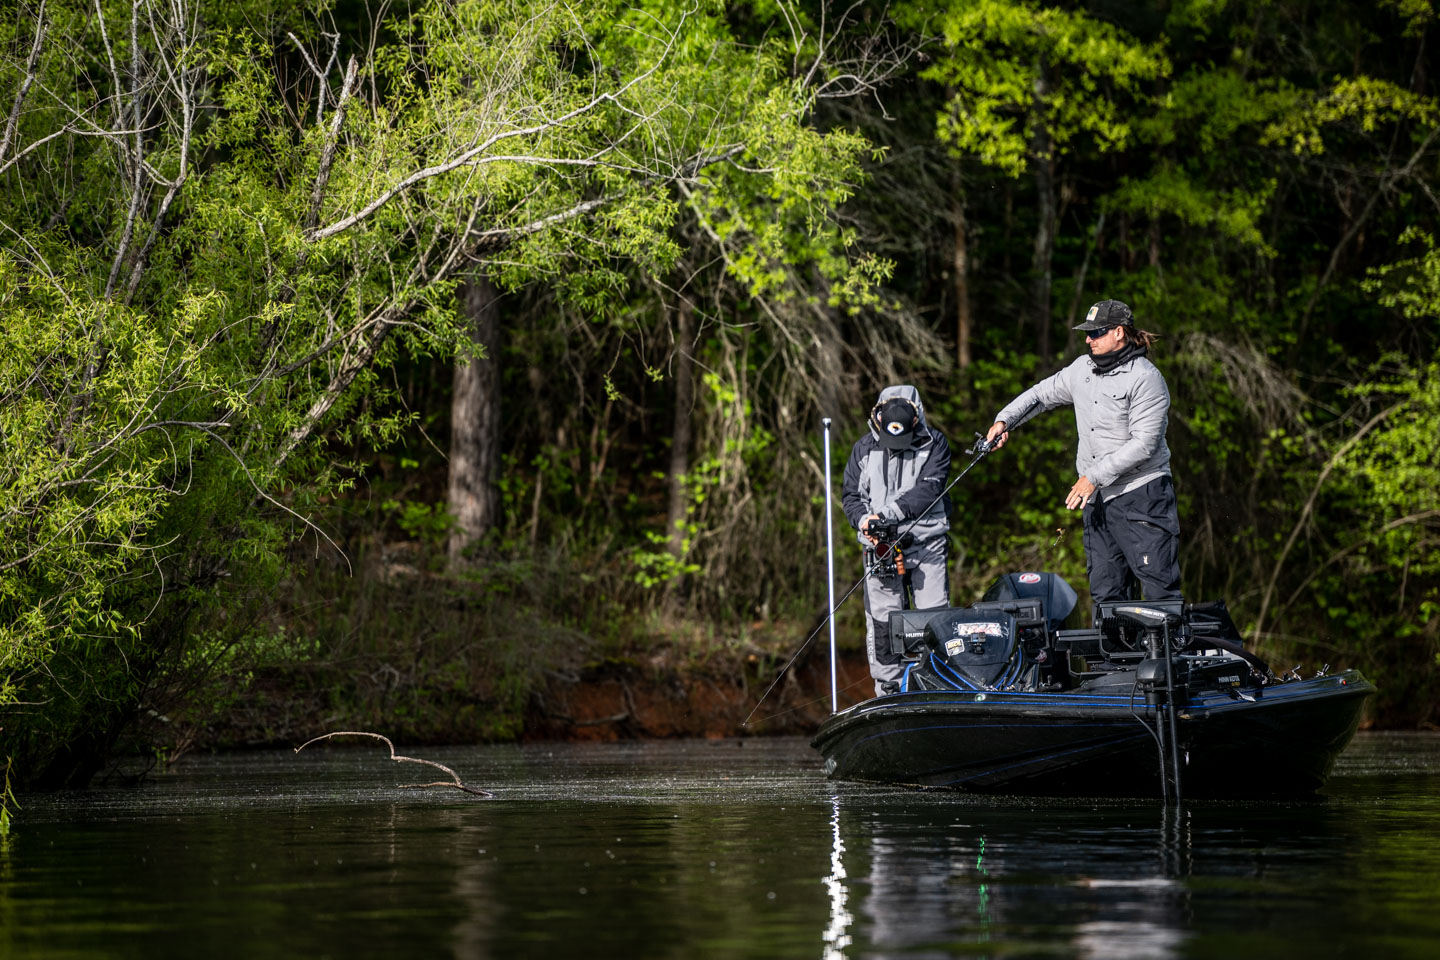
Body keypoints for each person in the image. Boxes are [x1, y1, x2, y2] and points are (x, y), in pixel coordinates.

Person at [985, 299, 1181, 603]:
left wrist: (1092, 477)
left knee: (1158, 589)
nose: (1088, 339)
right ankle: (1113, 652)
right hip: (1098, 500)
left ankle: (1162, 651)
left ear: (1119, 332)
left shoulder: (1146, 378)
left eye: (1096, 332)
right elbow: (1040, 395)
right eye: (1087, 333)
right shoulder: (1081, 369)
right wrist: (1004, 420)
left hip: (1143, 496)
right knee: (1106, 593)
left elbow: (1144, 444)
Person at [842, 385, 952, 696]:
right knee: (883, 620)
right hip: (880, 550)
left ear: (916, 421)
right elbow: (851, 495)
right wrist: (865, 521)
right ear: (877, 421)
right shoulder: (863, 448)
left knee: (934, 616)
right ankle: (889, 688)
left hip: (926, 543)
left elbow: (929, 490)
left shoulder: (936, 444)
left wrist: (889, 514)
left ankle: (937, 683)